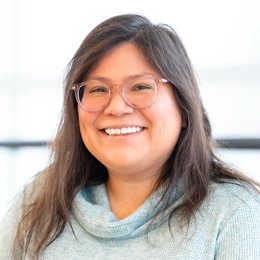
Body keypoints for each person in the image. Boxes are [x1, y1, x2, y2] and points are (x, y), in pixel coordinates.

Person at [0, 14, 260, 260]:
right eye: (98, 89)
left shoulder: (236, 213)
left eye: (141, 87)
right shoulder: (40, 199)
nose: (116, 107)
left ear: (183, 108)